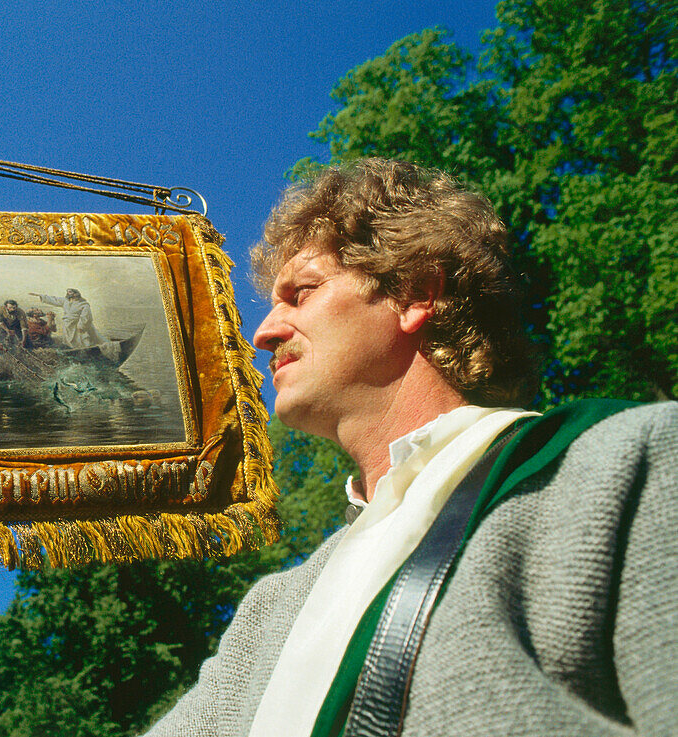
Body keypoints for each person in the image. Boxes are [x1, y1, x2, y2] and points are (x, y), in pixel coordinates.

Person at [143, 159, 678, 736]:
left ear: (415, 294)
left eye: (301, 292)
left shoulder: (627, 464)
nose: (263, 333)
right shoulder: (272, 610)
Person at [29, 288, 103, 348]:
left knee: (82, 339)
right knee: (69, 340)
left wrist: (81, 325)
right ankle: (72, 349)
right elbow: (55, 299)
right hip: (67, 325)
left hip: (77, 325)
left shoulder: (83, 304)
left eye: (70, 292)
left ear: (76, 294)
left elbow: (86, 317)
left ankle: (85, 350)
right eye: (67, 292)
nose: (68, 293)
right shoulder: (65, 301)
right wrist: (41, 296)